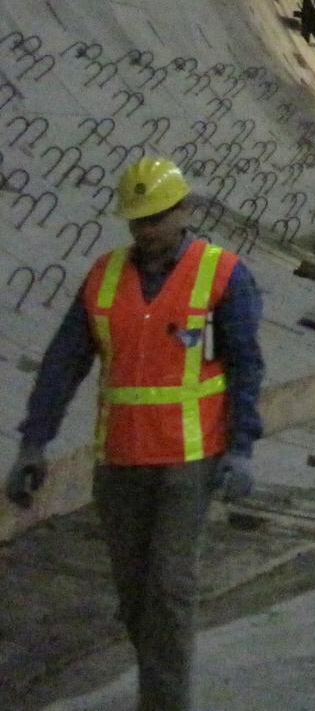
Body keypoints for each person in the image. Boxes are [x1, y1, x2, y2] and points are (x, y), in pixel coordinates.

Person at [6, 156, 265, 711]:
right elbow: (62, 363)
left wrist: (241, 448)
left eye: (155, 218)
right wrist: (34, 442)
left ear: (183, 210)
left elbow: (246, 364)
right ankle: (159, 682)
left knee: (168, 590)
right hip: (120, 464)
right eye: (137, 221)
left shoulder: (223, 275)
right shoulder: (103, 278)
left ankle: (164, 704)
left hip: (189, 460)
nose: (146, 231)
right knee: (135, 597)